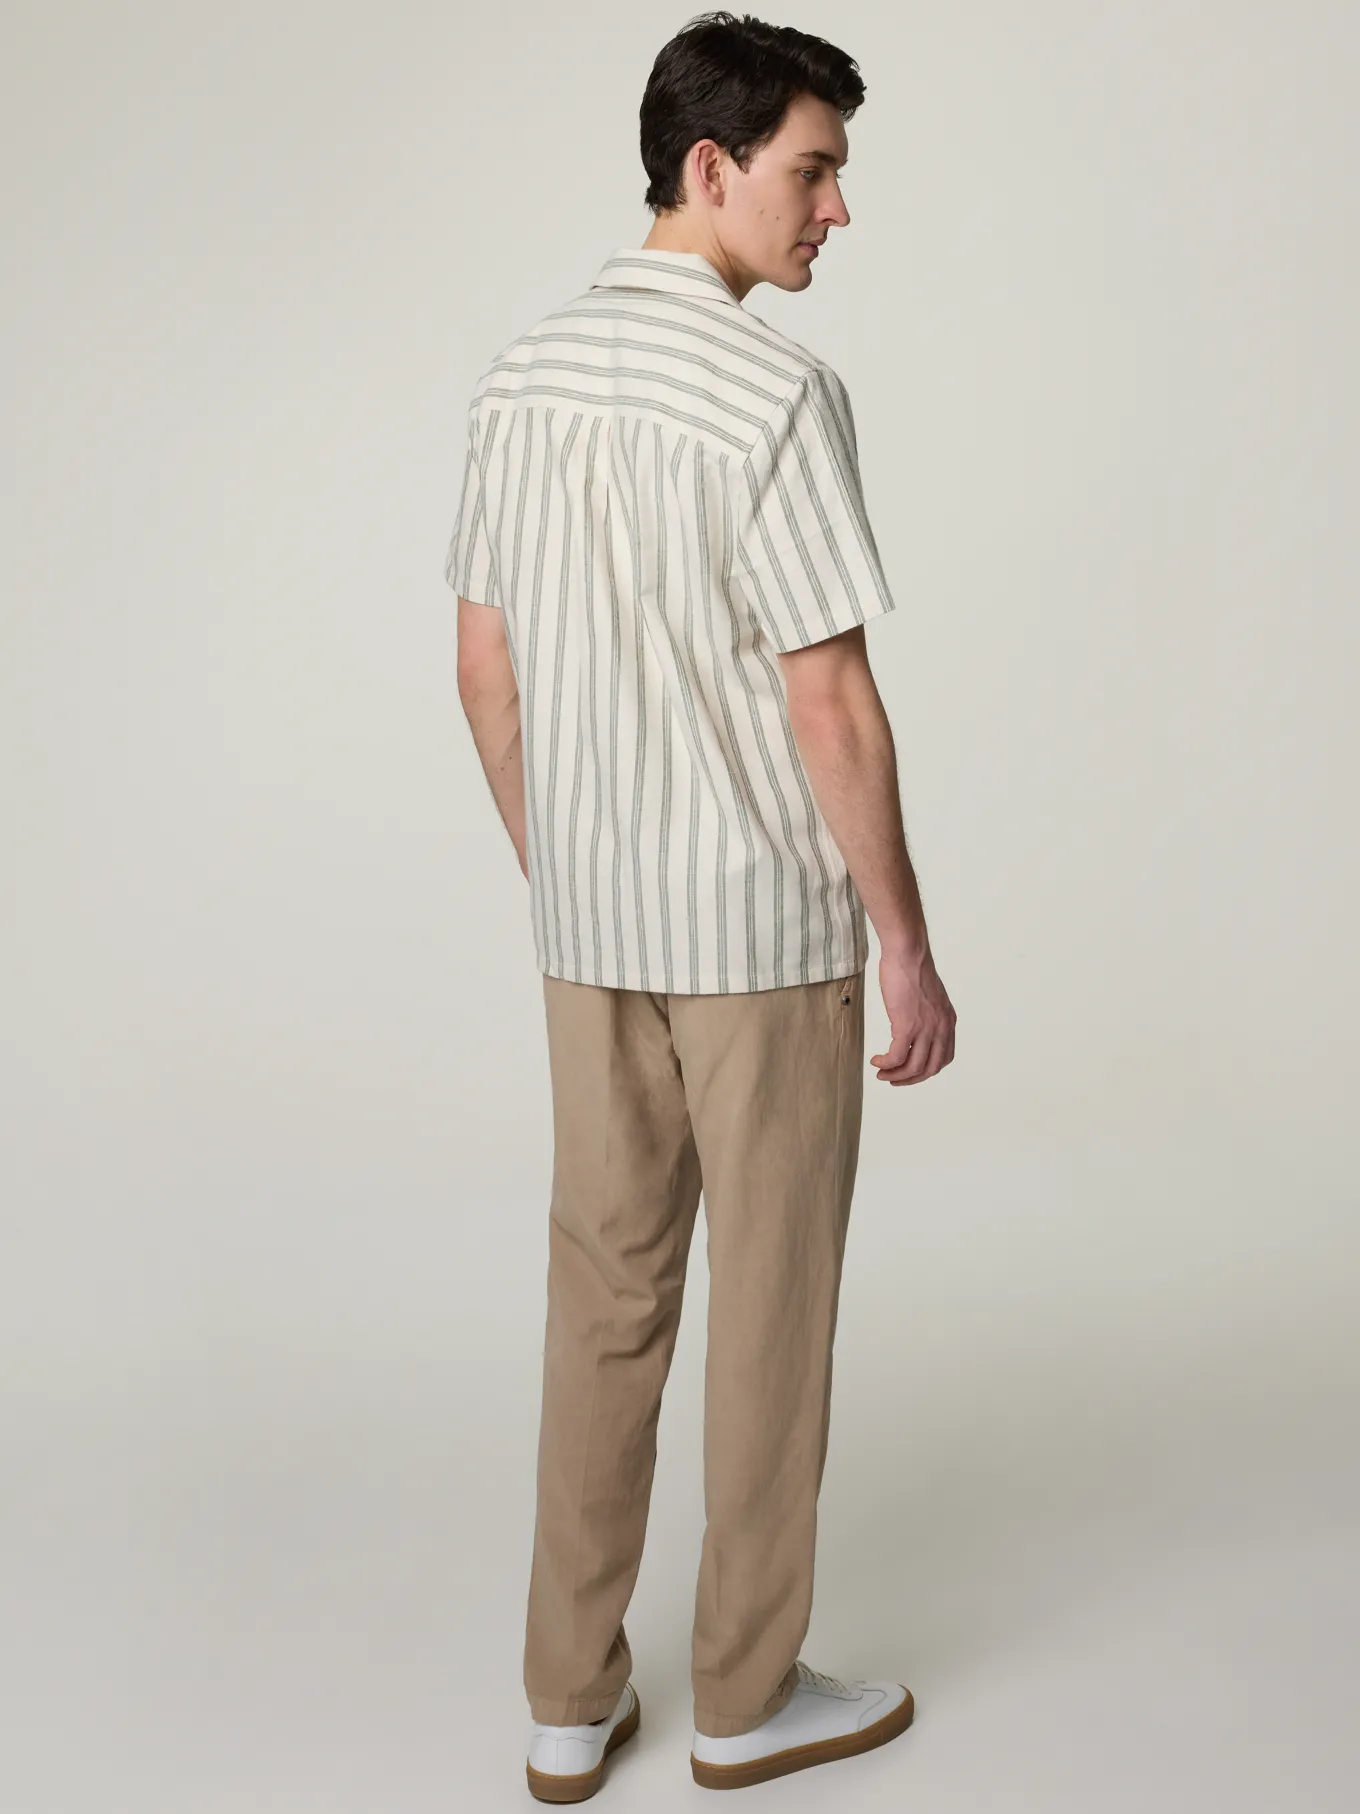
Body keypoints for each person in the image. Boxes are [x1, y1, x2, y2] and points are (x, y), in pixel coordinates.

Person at [446, 11, 956, 1799]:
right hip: (758, 940)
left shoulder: (519, 376)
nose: (837, 210)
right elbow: (833, 703)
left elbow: (485, 669)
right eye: (814, 171)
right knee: (770, 1307)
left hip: (591, 935)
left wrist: (569, 860)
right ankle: (743, 1695)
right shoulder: (773, 396)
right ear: (711, 166)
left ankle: (564, 1701)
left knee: (602, 1295)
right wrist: (906, 941)